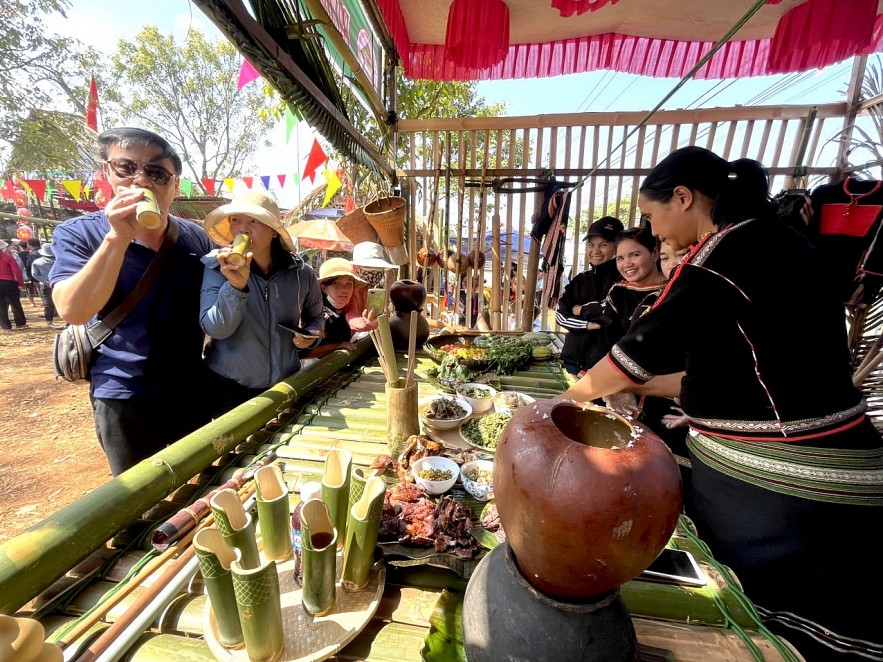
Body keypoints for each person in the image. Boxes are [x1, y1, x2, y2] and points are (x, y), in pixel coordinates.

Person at [560, 146, 883, 661]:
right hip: (825, 452)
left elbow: (638, 351)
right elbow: (735, 362)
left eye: (651, 216)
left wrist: (562, 402)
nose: (653, 230)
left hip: (789, 482)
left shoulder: (727, 254)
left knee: (783, 617)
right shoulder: (776, 240)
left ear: (684, 198)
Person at [50, 127, 215, 477]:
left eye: (156, 172)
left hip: (189, 387)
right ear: (107, 174)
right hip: (124, 392)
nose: (141, 180)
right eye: (127, 168)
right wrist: (117, 237)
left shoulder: (195, 236)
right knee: (140, 503)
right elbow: (73, 310)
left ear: (173, 185)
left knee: (196, 484)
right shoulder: (81, 233)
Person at [200, 190, 325, 417]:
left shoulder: (301, 273)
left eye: (254, 221)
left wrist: (311, 334)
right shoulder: (217, 268)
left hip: (285, 385)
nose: (242, 229)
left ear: (274, 231)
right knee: (234, 453)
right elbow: (215, 329)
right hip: (229, 389)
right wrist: (235, 287)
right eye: (235, 220)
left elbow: (316, 316)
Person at [555, 216, 624, 375]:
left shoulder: (624, 280)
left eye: (603, 245)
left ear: (617, 246)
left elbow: (610, 316)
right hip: (572, 361)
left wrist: (581, 310)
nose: (595, 251)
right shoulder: (581, 280)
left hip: (604, 368)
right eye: (591, 245)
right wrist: (587, 325)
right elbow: (560, 314)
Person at [301, 257, 377, 362]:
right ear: (324, 288)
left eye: (348, 284)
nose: (344, 289)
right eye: (336, 283)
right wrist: (336, 346)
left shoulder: (351, 305)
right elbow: (303, 353)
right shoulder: (315, 313)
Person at [28, 241, 61, 328]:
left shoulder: (37, 262)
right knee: (63, 302)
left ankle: (49, 323)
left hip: (45, 285)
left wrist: (45, 281)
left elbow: (34, 274)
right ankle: (68, 322)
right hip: (60, 284)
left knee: (48, 304)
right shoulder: (59, 260)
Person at [0, 240, 27, 332]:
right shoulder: (8, 257)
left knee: (1, 305)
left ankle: (5, 326)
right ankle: (20, 323)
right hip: (9, 282)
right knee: (15, 302)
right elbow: (17, 271)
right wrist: (21, 283)